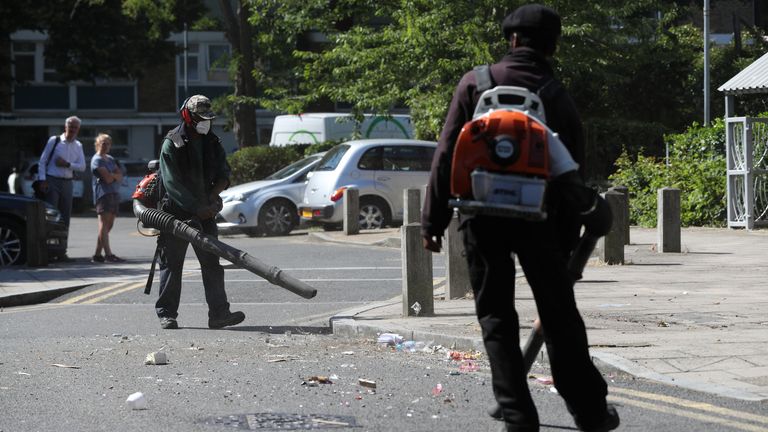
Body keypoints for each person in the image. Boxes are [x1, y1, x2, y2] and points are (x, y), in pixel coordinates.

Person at [421, 5, 619, 432]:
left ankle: (517, 415)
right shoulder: (555, 94)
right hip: (541, 219)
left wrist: (431, 223)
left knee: (496, 317)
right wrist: (566, 247)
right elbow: (572, 173)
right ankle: (589, 412)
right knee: (560, 318)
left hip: (479, 216)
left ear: (511, 41)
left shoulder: (475, 83)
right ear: (552, 47)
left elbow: (446, 153)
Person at [155, 94, 245, 330]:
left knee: (212, 264)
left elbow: (224, 173)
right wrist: (197, 208)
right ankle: (167, 314)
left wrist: (213, 198)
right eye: (200, 118)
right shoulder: (172, 143)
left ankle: (219, 314)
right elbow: (172, 184)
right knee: (172, 265)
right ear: (187, 116)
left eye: (207, 118)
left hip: (205, 213)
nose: (205, 122)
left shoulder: (211, 142)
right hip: (176, 214)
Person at [37, 116, 86, 262]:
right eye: (70, 126)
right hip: (52, 181)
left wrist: (67, 164)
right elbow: (42, 161)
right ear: (65, 127)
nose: (72, 130)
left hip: (67, 183)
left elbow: (82, 167)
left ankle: (61, 251)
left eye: (75, 127)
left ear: (78, 129)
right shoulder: (55, 141)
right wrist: (42, 180)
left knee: (65, 218)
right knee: (51, 217)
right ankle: (47, 251)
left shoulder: (78, 145)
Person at [90, 133, 125, 263]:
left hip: (113, 194)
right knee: (104, 224)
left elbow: (119, 175)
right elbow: (108, 179)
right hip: (103, 194)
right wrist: (113, 175)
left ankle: (97, 255)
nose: (105, 145)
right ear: (98, 144)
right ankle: (108, 254)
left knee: (108, 226)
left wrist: (114, 175)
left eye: (108, 143)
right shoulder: (96, 160)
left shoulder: (109, 158)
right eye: (103, 142)